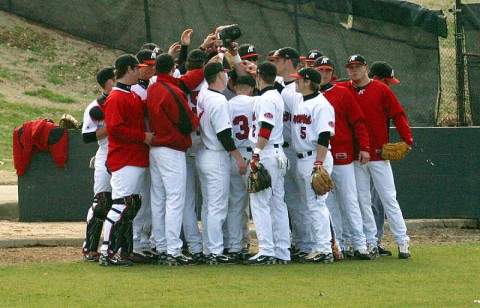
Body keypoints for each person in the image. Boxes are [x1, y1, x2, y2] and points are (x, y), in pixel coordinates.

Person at [339, 54, 413, 259]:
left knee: (389, 198)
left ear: (366, 68)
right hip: (356, 155)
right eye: (350, 67)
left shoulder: (381, 89)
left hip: (379, 154)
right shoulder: (344, 89)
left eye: (357, 67)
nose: (354, 71)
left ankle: (402, 241)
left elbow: (398, 114)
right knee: (362, 200)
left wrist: (407, 140)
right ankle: (371, 241)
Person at [314, 56, 373, 260]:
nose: (324, 74)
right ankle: (338, 244)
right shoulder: (305, 96)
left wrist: (364, 147)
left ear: (333, 73)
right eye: (320, 70)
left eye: (327, 71)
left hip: (342, 155)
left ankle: (360, 244)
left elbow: (358, 122)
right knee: (329, 205)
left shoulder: (342, 93)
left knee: (350, 200)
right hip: (318, 158)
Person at [99, 54, 155, 266]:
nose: (140, 72)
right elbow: (115, 129)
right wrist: (143, 136)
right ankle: (107, 251)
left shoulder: (130, 95)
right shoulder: (116, 97)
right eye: (137, 68)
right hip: (124, 158)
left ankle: (122, 250)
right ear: (129, 69)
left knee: (131, 206)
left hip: (135, 157)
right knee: (121, 205)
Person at [147, 53, 200, 266]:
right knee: (175, 200)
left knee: (158, 199)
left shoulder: (153, 87)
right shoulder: (173, 90)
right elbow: (189, 123)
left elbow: (182, 81)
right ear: (173, 68)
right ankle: (173, 250)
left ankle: (161, 246)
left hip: (155, 149)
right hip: (172, 149)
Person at [282, 67, 336, 263]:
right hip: (302, 159)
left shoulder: (322, 105)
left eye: (299, 80)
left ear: (307, 82)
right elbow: (282, 87)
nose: (295, 83)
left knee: (316, 205)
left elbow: (324, 136)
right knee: (308, 205)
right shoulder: (298, 99)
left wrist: (319, 164)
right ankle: (316, 246)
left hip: (315, 157)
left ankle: (324, 249)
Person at [196, 62, 247, 265]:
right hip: (216, 155)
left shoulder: (203, 94)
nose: (227, 77)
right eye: (224, 73)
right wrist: (238, 156)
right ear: (218, 75)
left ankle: (211, 248)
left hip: (204, 152)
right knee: (217, 207)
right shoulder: (219, 100)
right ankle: (216, 251)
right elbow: (225, 135)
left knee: (209, 206)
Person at [269, 47, 313, 260]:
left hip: (297, 149)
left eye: (278, 60)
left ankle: (309, 244)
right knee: (290, 200)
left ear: (288, 61)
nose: (275, 63)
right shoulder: (279, 86)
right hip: (282, 149)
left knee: (304, 200)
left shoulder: (298, 88)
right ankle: (300, 243)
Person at [245, 61, 290, 265]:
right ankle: (282, 250)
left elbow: (266, 128)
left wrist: (255, 154)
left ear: (259, 77)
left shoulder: (267, 98)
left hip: (267, 153)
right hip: (277, 153)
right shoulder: (276, 96)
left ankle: (267, 250)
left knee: (260, 204)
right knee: (277, 203)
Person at [81, 66, 115, 262]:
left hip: (127, 153)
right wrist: (111, 127)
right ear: (109, 82)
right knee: (102, 201)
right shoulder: (95, 106)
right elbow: (86, 136)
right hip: (106, 153)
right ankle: (90, 246)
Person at [368, 61, 401, 257]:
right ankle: (365, 241)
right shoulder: (360, 93)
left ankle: (375, 241)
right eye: (387, 81)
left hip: (379, 155)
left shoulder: (384, 95)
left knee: (378, 201)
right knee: (366, 201)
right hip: (360, 157)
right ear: (377, 79)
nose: (389, 85)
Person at [129, 48, 158, 263]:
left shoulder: (154, 85)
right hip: (137, 147)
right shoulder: (133, 90)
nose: (151, 68)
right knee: (138, 197)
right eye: (147, 65)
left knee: (148, 198)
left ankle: (144, 242)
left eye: (153, 64)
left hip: (152, 147)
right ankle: (135, 242)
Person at [226, 74, 257, 260]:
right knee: (260, 204)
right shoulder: (258, 103)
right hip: (253, 155)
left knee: (236, 204)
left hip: (233, 154)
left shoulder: (227, 104)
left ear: (235, 87)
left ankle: (235, 245)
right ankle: (266, 246)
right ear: (253, 88)